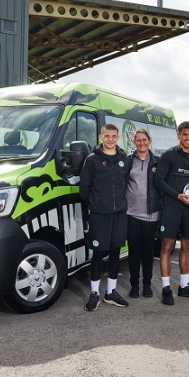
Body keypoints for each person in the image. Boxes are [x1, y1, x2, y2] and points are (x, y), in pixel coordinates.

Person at [80, 124, 131, 311]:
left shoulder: (124, 159)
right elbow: (84, 188)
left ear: (118, 137)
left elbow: (126, 184)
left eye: (114, 136)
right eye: (107, 136)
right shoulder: (92, 160)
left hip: (119, 214)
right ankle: (94, 293)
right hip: (99, 215)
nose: (110, 139)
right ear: (101, 136)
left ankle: (111, 292)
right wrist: (93, 207)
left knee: (115, 252)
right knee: (98, 254)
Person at [154, 121, 189, 305]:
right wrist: (177, 195)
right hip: (171, 207)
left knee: (188, 245)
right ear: (179, 135)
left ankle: (184, 285)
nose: (188, 138)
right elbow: (158, 180)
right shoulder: (169, 155)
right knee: (167, 246)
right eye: (185, 134)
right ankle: (166, 288)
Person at [125, 128, 160, 299]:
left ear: (149, 141)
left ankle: (147, 284)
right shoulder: (127, 161)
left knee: (148, 251)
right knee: (134, 251)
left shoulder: (157, 162)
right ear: (134, 142)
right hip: (131, 213)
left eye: (144, 140)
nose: (142, 143)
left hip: (151, 214)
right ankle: (134, 285)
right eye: (138, 140)